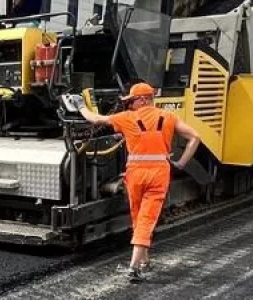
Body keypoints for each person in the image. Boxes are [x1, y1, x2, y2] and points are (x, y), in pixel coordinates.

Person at [70, 82, 201, 282]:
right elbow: (195, 137)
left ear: (143, 99)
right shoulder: (169, 117)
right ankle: (136, 266)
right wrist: (181, 163)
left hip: (136, 174)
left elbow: (95, 119)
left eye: (131, 101)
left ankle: (139, 264)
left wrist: (79, 105)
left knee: (139, 217)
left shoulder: (127, 118)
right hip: (159, 174)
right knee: (146, 219)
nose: (129, 105)